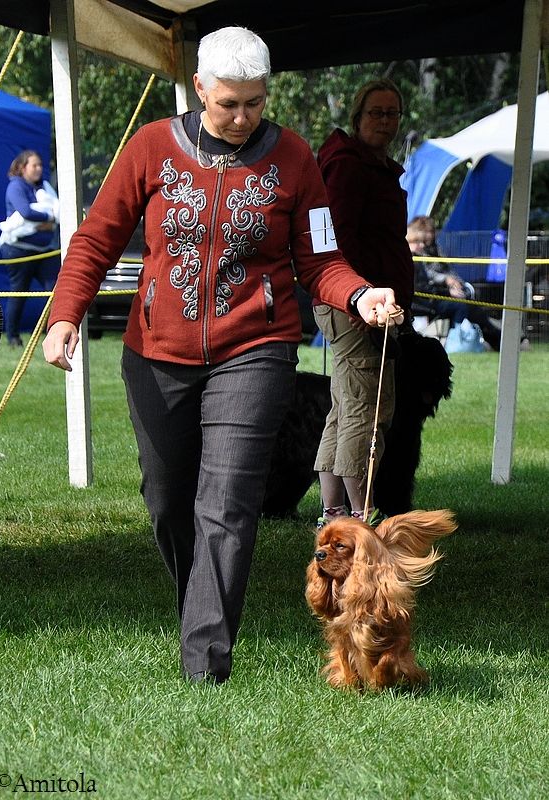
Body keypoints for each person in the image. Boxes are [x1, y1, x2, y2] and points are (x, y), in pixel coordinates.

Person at [42, 27, 404, 685]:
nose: (242, 117)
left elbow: (321, 259)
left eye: (254, 103)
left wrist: (359, 294)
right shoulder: (151, 146)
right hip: (155, 353)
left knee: (228, 503)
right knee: (167, 501)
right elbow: (96, 239)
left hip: (254, 350)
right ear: (199, 88)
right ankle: (198, 607)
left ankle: (204, 663)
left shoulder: (294, 158)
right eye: (228, 103)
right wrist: (66, 314)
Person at [313, 78, 415, 529]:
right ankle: (361, 519)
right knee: (368, 410)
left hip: (360, 301)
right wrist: (360, 297)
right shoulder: (349, 168)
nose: (385, 121)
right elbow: (338, 240)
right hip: (358, 304)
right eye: (376, 112)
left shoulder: (370, 165)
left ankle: (334, 513)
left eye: (392, 113)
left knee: (345, 406)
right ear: (357, 117)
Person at [407, 215, 502, 350]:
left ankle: (493, 338)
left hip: (436, 294)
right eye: (426, 233)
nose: (428, 237)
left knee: (472, 307)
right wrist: (447, 287)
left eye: (431, 232)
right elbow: (423, 285)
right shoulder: (414, 259)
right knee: (461, 307)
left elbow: (447, 269)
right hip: (427, 300)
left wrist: (457, 283)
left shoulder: (434, 249)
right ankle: (460, 339)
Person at [0, 150, 60, 347]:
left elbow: (58, 209)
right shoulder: (15, 186)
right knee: (20, 292)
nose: (39, 169)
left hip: (44, 250)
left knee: (56, 289)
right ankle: (13, 338)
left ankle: (54, 334)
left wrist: (51, 218)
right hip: (18, 250)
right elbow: (25, 212)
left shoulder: (44, 187)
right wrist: (49, 217)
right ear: (22, 168)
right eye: (34, 165)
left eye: (40, 165)